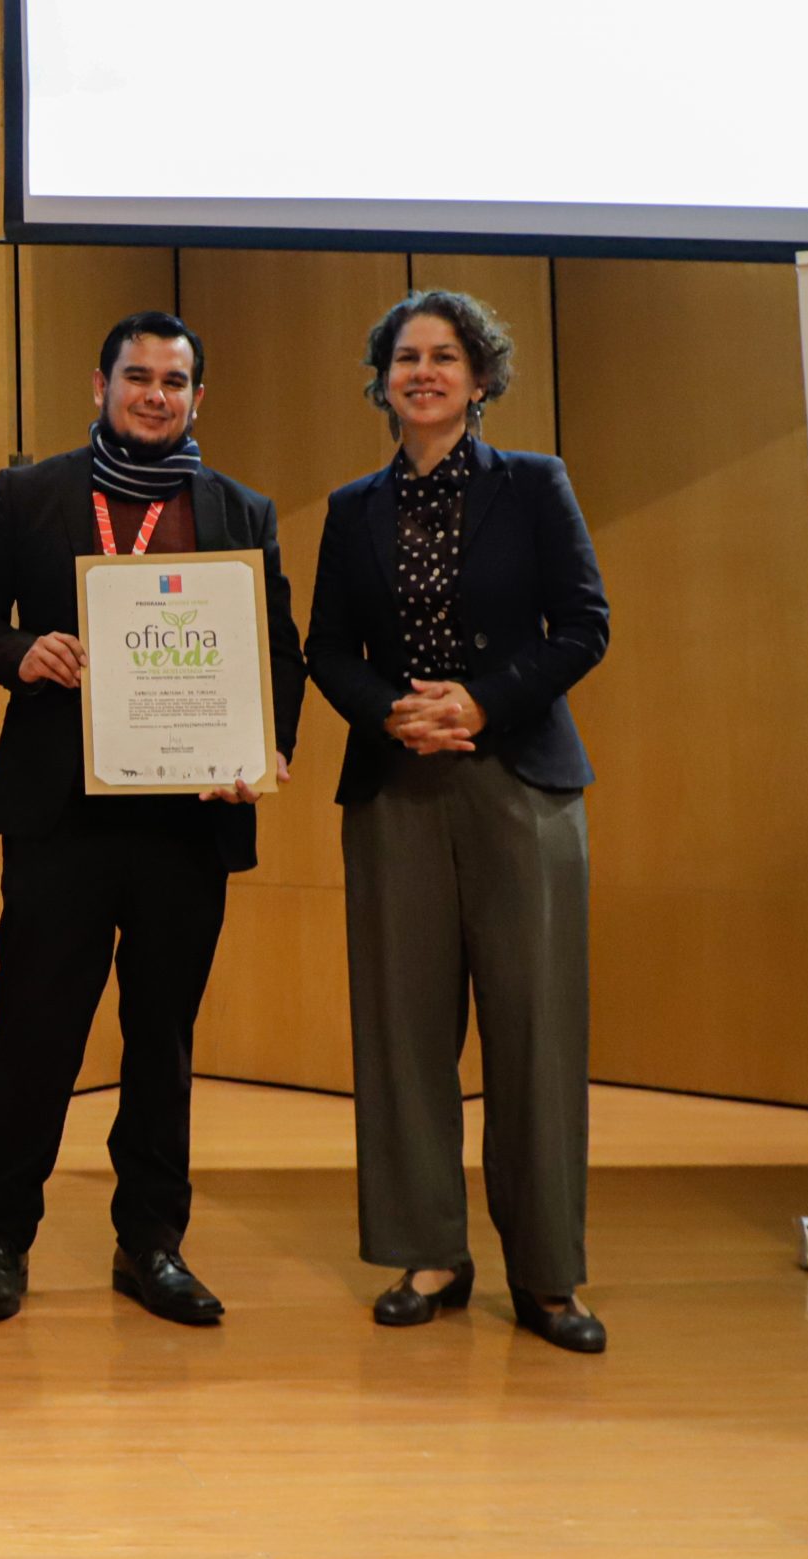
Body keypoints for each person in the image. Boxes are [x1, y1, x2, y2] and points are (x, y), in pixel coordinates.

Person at [0, 310, 304, 1326]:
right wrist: (23, 653)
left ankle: (151, 1242)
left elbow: (277, 650)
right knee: (34, 1032)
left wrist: (267, 748)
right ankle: (0, 1238)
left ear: (198, 397)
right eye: (136, 376)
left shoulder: (240, 509)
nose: (154, 394)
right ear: (97, 384)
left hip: (187, 817)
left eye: (174, 381)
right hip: (61, 815)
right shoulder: (32, 493)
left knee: (162, 1038)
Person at [305, 290, 611, 1354]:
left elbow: (584, 624)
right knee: (402, 1030)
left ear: (481, 379)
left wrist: (480, 701)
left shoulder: (534, 485)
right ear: (382, 379)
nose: (422, 371)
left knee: (534, 1031)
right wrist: (392, 711)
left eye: (444, 357)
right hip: (396, 782)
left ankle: (547, 1273)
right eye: (404, 357)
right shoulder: (352, 508)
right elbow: (326, 647)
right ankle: (426, 1249)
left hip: (518, 778)